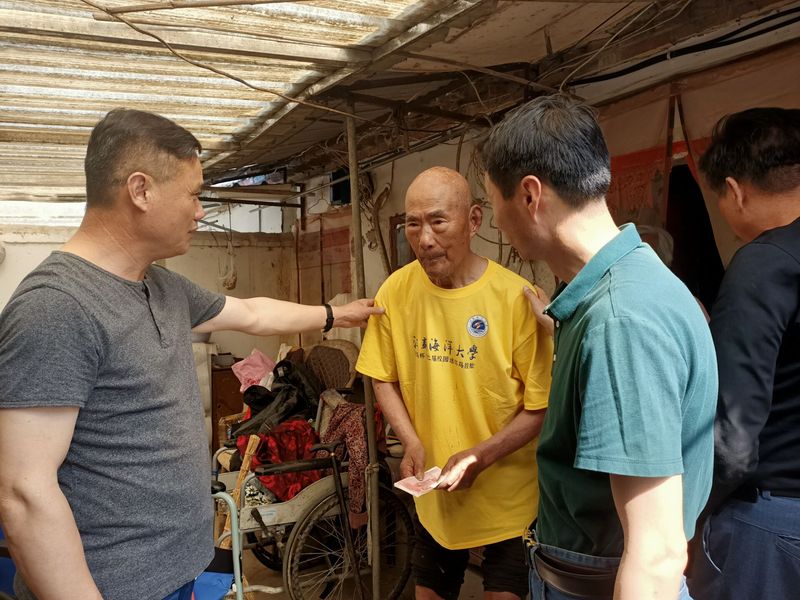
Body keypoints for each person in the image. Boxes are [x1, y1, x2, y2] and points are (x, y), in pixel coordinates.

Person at [0, 108, 382, 600]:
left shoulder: (161, 286)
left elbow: (252, 313)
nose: (200, 211)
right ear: (141, 191)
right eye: (193, 194)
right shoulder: (56, 307)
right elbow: (24, 493)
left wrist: (336, 314)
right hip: (116, 586)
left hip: (181, 568)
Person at [479, 94, 717, 600]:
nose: (496, 224)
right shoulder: (623, 287)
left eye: (493, 203)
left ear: (529, 196)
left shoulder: (621, 320)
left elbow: (656, 554)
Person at [356, 166, 553, 600]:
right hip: (437, 502)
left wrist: (480, 457)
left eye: (438, 221)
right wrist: (410, 440)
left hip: (510, 502)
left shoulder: (516, 299)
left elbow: (540, 407)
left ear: (474, 220)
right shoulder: (395, 292)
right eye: (413, 224)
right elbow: (380, 375)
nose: (424, 239)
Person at [687, 107, 800, 600]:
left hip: (772, 524)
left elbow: (732, 441)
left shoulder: (762, 265)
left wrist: (684, 518)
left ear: (734, 191)